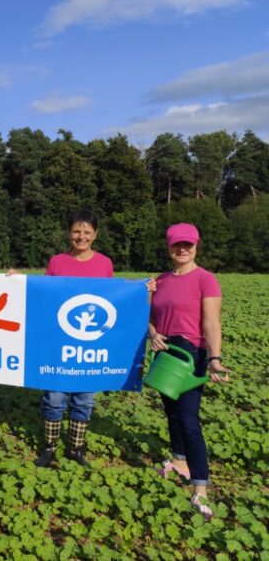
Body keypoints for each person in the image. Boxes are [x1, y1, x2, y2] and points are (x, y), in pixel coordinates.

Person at [148, 222, 230, 521]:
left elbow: (211, 323)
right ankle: (179, 462)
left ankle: (201, 488)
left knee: (188, 419)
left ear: (196, 246)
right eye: (176, 245)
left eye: (188, 244)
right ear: (169, 247)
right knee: (171, 412)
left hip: (191, 354)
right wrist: (152, 333)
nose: (182, 249)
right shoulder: (160, 280)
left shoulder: (206, 280)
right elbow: (151, 316)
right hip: (165, 351)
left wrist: (214, 358)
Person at [35, 209, 114, 468]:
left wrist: (142, 290)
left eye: (87, 232)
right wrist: (16, 282)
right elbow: (42, 294)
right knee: (55, 397)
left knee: (84, 397)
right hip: (59, 342)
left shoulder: (105, 263)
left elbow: (113, 299)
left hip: (90, 343)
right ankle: (49, 448)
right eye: (76, 231)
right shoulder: (56, 261)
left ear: (95, 235)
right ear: (69, 233)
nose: (81, 237)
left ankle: (76, 449)